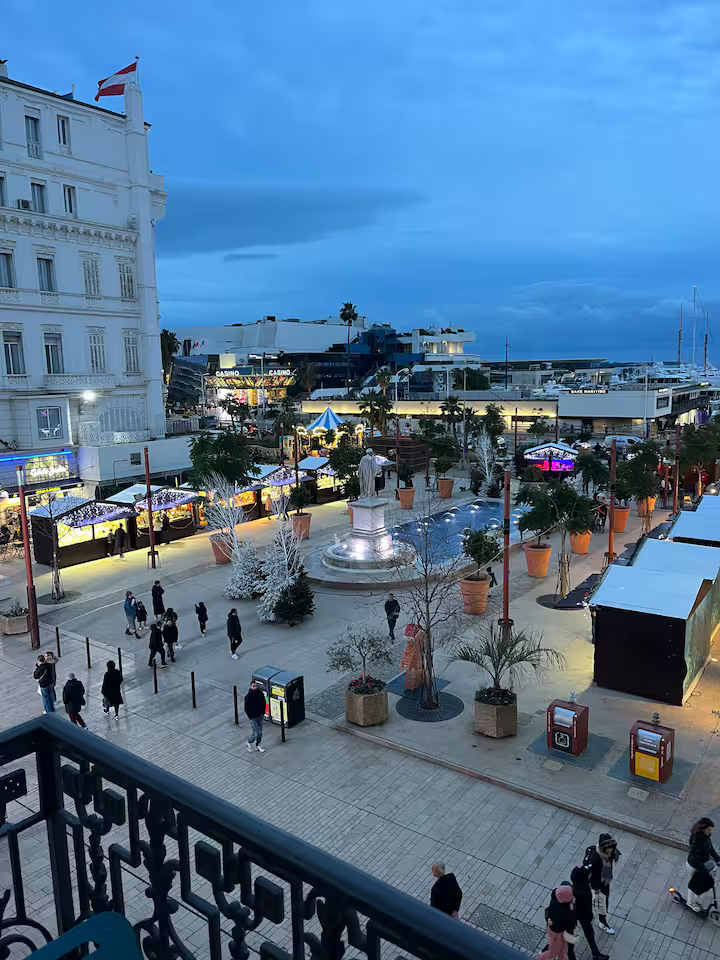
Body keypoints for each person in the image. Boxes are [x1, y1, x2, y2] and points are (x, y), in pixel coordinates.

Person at [570, 866, 609, 960]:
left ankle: (596, 953)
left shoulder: (577, 886)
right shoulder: (582, 892)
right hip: (584, 916)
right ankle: (596, 954)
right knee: (589, 933)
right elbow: (585, 907)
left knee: (589, 933)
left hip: (580, 915)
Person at [584, 833, 621, 934]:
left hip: (605, 882)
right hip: (596, 885)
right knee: (599, 903)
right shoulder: (595, 858)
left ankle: (601, 920)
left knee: (604, 903)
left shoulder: (610, 853)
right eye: (608, 848)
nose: (611, 851)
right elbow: (588, 872)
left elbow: (616, 855)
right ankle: (600, 921)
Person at [686, 817, 720, 913]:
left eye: (711, 830)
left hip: (703, 865)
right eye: (709, 830)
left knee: (702, 884)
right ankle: (690, 902)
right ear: (703, 829)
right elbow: (696, 860)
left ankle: (697, 900)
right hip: (694, 866)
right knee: (693, 885)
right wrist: (706, 869)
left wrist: (718, 859)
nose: (711, 832)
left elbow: (711, 848)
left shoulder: (705, 837)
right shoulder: (696, 841)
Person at [537, 886, 577, 960]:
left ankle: (544, 952)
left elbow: (547, 910)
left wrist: (547, 919)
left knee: (552, 942)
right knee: (568, 949)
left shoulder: (554, 895)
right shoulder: (567, 914)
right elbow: (571, 925)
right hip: (560, 933)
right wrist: (573, 908)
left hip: (551, 928)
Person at [244, 680, 266, 753]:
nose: (255, 687)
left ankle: (258, 745)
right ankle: (249, 742)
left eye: (256, 686)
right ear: (251, 687)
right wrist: (250, 716)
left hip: (260, 716)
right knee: (256, 732)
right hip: (253, 717)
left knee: (260, 732)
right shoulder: (248, 697)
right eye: (254, 686)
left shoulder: (260, 693)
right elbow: (246, 708)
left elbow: (264, 702)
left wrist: (263, 712)